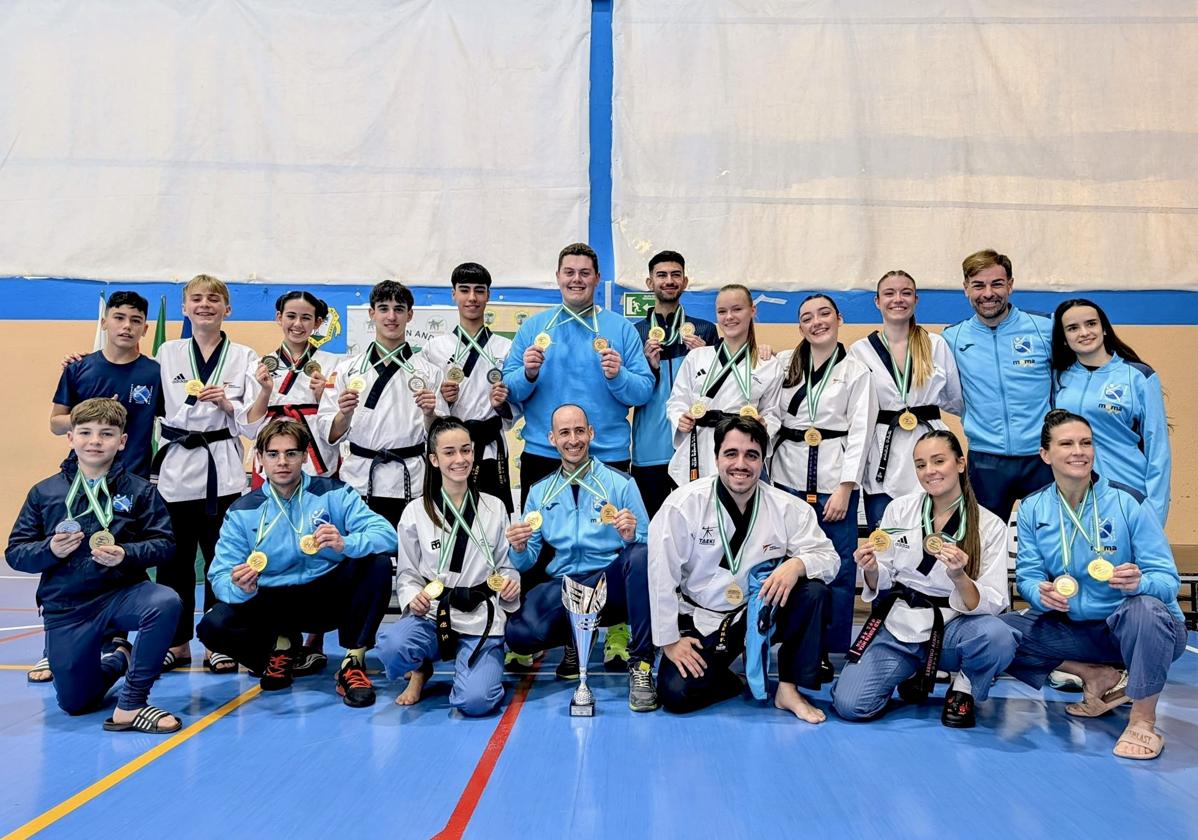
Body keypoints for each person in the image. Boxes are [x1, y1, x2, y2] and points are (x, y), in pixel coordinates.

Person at [1003, 409, 1186, 760]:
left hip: (1135, 628)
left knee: (1145, 607)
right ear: (1045, 454)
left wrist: (1139, 582)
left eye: (1086, 443)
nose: (1079, 451)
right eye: (1067, 443)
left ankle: (1143, 722)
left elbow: (1167, 581)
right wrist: (1039, 595)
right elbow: (1027, 577)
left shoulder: (1128, 501)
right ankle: (1097, 676)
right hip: (1078, 632)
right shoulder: (1032, 508)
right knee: (996, 632)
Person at [6, 398, 182, 733]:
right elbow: (16, 552)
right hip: (68, 606)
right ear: (70, 438)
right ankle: (118, 659)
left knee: (164, 601)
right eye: (85, 432)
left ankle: (131, 705)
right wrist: (50, 549)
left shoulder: (140, 491)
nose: (95, 441)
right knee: (75, 703)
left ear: (122, 441)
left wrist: (127, 554)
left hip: (122, 594)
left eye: (106, 433)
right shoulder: (44, 493)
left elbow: (165, 544)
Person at [649, 416, 839, 721]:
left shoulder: (787, 507)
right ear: (716, 458)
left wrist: (797, 564)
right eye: (731, 454)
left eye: (751, 455)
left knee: (813, 591)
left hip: (758, 614)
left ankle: (788, 690)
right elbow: (661, 575)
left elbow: (829, 557)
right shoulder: (683, 505)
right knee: (675, 694)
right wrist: (669, 641)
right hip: (703, 619)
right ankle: (732, 678)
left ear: (763, 460)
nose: (741, 464)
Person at [198, 419, 397, 707]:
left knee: (375, 564)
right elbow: (219, 576)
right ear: (260, 459)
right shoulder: (242, 511)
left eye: (291, 453)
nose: (282, 462)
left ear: (305, 456)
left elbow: (388, 536)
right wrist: (240, 587)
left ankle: (353, 662)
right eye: (273, 454)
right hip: (271, 602)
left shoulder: (334, 492)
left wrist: (346, 543)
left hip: (327, 597)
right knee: (211, 627)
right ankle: (280, 650)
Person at [831, 431, 1017, 728]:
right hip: (901, 625)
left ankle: (964, 687)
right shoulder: (900, 509)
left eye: (938, 461)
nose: (929, 471)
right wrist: (869, 568)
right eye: (920, 464)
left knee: (998, 637)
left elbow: (993, 601)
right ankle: (908, 670)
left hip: (955, 627)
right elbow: (885, 574)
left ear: (960, 463)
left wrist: (960, 577)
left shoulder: (989, 524)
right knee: (850, 705)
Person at [32, 291, 163, 683]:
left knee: (117, 559)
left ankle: (115, 640)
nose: (126, 326)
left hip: (129, 484)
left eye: (135, 320)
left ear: (144, 327)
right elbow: (56, 421)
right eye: (119, 317)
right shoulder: (79, 369)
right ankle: (52, 644)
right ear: (105, 322)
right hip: (79, 481)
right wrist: (90, 414)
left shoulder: (153, 373)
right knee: (66, 557)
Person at [504, 404, 658, 712]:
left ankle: (640, 667)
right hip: (565, 585)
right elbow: (526, 562)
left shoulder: (621, 483)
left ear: (591, 433)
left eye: (579, 431)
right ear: (552, 439)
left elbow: (650, 543)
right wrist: (519, 548)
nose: (573, 440)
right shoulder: (539, 492)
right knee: (518, 635)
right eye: (564, 433)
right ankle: (573, 639)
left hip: (608, 585)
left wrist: (631, 536)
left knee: (640, 556)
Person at [153, 274, 266, 674]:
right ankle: (177, 643)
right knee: (175, 563)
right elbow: (132, 374)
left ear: (227, 309)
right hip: (177, 471)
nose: (205, 305)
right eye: (196, 299)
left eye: (213, 299)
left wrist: (230, 407)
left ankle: (219, 642)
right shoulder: (166, 353)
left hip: (224, 471)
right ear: (185, 308)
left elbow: (254, 425)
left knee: (223, 560)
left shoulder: (246, 356)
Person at [376, 417, 520, 715]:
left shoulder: (495, 507)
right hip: (432, 613)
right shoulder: (415, 512)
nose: (460, 459)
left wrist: (509, 583)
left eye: (466, 451)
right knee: (392, 646)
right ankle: (420, 669)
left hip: (479, 615)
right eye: (450, 452)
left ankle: (476, 671)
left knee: (475, 702)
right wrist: (412, 596)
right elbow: (407, 573)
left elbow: (505, 566)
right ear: (434, 459)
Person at [501, 243, 654, 507]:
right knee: (542, 545)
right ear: (558, 276)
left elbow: (643, 391)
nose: (576, 279)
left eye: (584, 273)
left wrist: (619, 376)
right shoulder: (533, 328)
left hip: (606, 455)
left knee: (608, 543)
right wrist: (528, 373)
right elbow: (509, 390)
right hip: (544, 454)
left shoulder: (622, 329)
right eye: (569, 272)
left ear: (597, 278)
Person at [772, 294, 875, 664]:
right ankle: (790, 642)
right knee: (788, 559)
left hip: (834, 478)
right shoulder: (784, 364)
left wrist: (847, 487)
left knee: (839, 566)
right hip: (787, 473)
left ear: (839, 318)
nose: (817, 322)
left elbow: (862, 431)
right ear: (799, 327)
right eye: (807, 318)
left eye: (824, 314)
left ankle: (828, 649)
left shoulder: (857, 371)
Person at [942, 250, 1053, 523]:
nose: (988, 293)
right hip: (985, 460)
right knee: (982, 544)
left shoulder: (1045, 328)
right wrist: (977, 417)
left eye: (997, 284)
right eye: (978, 285)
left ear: (1010, 285)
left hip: (1041, 457)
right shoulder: (952, 338)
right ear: (966, 288)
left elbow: (1066, 383)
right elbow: (949, 395)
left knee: (1049, 539)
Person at [319, 280, 440, 526]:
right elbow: (328, 432)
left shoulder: (428, 372)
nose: (391, 316)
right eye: (383, 308)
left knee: (409, 558)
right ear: (372, 313)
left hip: (411, 478)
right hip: (360, 477)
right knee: (362, 557)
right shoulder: (347, 370)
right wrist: (344, 414)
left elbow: (442, 435)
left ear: (410, 315)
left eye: (399, 309)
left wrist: (429, 414)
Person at [849, 270, 962, 530]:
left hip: (931, 444)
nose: (897, 299)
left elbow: (955, 399)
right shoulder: (860, 350)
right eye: (889, 293)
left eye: (906, 293)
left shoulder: (935, 345)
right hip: (882, 452)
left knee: (935, 537)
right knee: (887, 539)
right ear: (877, 301)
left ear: (916, 300)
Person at [1051, 298, 1170, 524]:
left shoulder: (1138, 376)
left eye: (1091, 324)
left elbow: (1158, 448)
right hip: (1074, 494)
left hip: (1127, 490)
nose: (1084, 332)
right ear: (1064, 338)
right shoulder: (1059, 377)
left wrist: (1156, 507)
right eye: (1073, 328)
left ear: (1104, 328)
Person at [630, 250, 719, 518]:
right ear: (650, 283)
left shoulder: (705, 330)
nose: (669, 280)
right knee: (654, 526)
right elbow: (628, 395)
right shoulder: (635, 333)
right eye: (662, 275)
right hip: (649, 448)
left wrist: (706, 359)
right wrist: (647, 366)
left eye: (675, 275)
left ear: (685, 281)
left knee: (697, 525)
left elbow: (721, 392)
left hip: (694, 446)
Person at [665, 284, 782, 487]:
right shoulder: (697, 356)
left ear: (752, 310)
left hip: (742, 448)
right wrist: (680, 418)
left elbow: (772, 413)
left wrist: (765, 426)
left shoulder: (768, 364)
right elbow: (677, 401)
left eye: (737, 309)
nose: (729, 317)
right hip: (700, 447)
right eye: (722, 311)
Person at [424, 263, 518, 512]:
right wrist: (444, 399)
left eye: (479, 290)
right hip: (451, 448)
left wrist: (502, 404)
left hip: (490, 447)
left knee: (493, 517)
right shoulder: (435, 348)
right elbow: (425, 404)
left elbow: (516, 408)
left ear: (489, 295)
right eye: (464, 290)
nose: (472, 298)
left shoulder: (505, 348)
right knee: (448, 518)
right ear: (454, 294)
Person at [256, 290, 341, 481]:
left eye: (306, 318)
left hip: (317, 452)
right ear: (279, 317)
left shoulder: (335, 364)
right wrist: (265, 391)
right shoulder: (260, 364)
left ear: (317, 322)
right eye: (291, 316)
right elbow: (250, 422)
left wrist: (322, 397)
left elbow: (341, 421)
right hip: (274, 452)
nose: (297, 324)